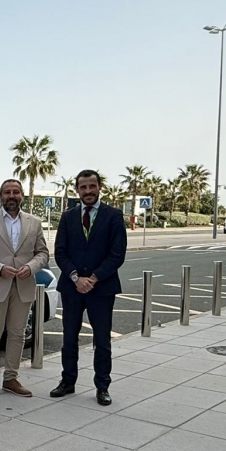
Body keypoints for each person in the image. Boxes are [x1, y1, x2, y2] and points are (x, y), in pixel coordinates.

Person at [0, 179, 50, 399]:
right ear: (1, 196)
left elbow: (43, 254)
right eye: (7, 192)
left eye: (15, 192)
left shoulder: (34, 223)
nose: (11, 196)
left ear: (22, 195)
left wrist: (31, 267)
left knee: (17, 334)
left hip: (24, 285)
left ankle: (11, 378)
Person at [52, 169, 126, 405]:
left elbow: (117, 255)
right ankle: (68, 381)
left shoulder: (113, 216)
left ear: (99, 187)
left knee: (102, 340)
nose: (88, 191)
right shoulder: (67, 217)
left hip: (102, 289)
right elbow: (60, 253)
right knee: (69, 337)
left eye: (91, 186)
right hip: (72, 288)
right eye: (83, 187)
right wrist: (76, 277)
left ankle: (102, 386)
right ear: (78, 190)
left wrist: (92, 279)